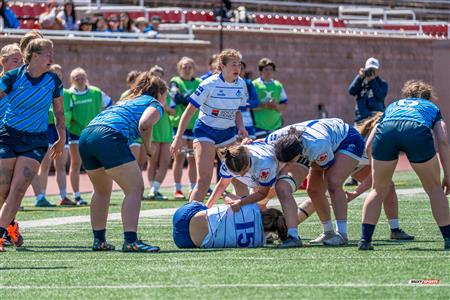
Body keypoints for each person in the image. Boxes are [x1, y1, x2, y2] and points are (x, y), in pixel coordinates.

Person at [287, 113, 414, 240]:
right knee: (321, 189)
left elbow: (376, 176)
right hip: (346, 153)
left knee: (324, 189)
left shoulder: (375, 133)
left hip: (349, 154)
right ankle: (288, 227)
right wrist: (354, 193)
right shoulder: (380, 137)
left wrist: (354, 193)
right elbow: (377, 175)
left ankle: (394, 229)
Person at [78, 72, 165, 252]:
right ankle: (131, 241)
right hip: (109, 136)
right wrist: (148, 148)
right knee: (135, 189)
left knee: (101, 191)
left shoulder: (125, 100)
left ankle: (99, 240)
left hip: (87, 136)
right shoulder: (154, 103)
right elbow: (145, 123)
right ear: (160, 93)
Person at [359, 80, 450, 251]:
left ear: (406, 95)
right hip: (416, 131)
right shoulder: (431, 108)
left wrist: (375, 167)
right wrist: (448, 175)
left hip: (386, 133)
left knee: (377, 190)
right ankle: (448, 238)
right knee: (434, 188)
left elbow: (369, 144)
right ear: (428, 97)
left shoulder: (393, 106)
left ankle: (365, 240)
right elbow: (443, 140)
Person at [0, 38, 66, 252]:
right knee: (3, 190)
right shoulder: (12, 77)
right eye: (49, 53)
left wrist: (61, 136)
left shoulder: (53, 81)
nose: (52, 57)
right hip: (8, 136)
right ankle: (10, 226)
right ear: (35, 56)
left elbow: (58, 111)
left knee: (18, 190)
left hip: (35, 141)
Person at [268, 118, 365, 246]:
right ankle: (328, 232)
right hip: (325, 137)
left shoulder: (317, 146)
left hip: (347, 139)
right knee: (313, 190)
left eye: (291, 161)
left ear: (300, 152)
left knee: (333, 182)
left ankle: (342, 234)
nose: (289, 165)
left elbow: (325, 167)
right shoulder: (273, 139)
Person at [170, 49, 248, 204]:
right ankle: (190, 218)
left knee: (239, 178)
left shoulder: (241, 84)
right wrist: (178, 137)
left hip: (227, 134)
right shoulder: (208, 84)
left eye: (239, 65)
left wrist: (242, 128)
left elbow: (238, 111)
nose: (237, 68)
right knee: (204, 181)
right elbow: (189, 111)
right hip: (205, 132)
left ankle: (249, 214)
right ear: (222, 65)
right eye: (233, 64)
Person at [67, 67, 112, 205]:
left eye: (82, 77)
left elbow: (111, 105)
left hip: (95, 134)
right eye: (76, 78)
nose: (79, 80)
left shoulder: (96, 92)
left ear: (86, 77)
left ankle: (98, 192)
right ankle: (77, 195)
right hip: (76, 135)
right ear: (72, 80)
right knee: (76, 163)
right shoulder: (69, 95)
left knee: (98, 164)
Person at [31, 64, 74, 207]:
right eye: (53, 74)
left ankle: (63, 196)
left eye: (59, 75)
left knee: (61, 165)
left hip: (62, 130)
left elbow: (68, 112)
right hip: (47, 129)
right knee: (45, 165)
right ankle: (41, 196)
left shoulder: (67, 93)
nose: (57, 77)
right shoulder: (43, 90)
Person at [173, 201, 286, 248]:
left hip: (184, 215)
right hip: (185, 242)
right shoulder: (258, 243)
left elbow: (228, 199)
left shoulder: (253, 207)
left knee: (200, 206)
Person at [169, 57, 202, 199]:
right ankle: (177, 188)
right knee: (179, 157)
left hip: (195, 126)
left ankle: (193, 188)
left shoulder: (199, 82)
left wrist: (187, 99)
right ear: (179, 68)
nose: (187, 69)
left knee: (193, 158)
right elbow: (176, 97)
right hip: (180, 127)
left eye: (189, 66)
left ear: (193, 68)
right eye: (184, 66)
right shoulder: (176, 81)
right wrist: (193, 99)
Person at [145, 65, 174, 200]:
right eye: (153, 74)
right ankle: (152, 189)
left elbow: (174, 111)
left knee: (165, 161)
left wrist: (166, 107)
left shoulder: (167, 92)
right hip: (153, 128)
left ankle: (155, 189)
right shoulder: (146, 92)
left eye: (158, 74)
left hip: (165, 130)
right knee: (152, 161)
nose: (156, 77)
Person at [252, 58, 288, 138]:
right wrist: (265, 105)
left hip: (276, 126)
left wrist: (275, 106)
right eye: (266, 69)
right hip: (258, 126)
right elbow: (251, 106)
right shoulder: (254, 85)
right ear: (260, 71)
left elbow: (284, 105)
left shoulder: (278, 85)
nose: (269, 72)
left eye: (271, 69)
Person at [348, 57, 388, 125]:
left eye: (373, 70)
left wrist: (372, 80)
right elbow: (351, 91)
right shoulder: (360, 82)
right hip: (360, 118)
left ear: (378, 70)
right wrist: (359, 77)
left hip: (376, 118)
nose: (371, 72)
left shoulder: (382, 83)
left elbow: (381, 96)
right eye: (369, 69)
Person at [239, 61, 259, 139]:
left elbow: (255, 102)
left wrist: (244, 105)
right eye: (238, 68)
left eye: (242, 69)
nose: (239, 70)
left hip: (248, 121)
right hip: (233, 122)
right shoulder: (229, 83)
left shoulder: (248, 83)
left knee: (250, 143)